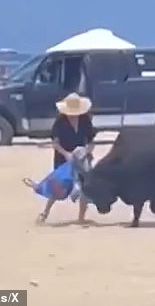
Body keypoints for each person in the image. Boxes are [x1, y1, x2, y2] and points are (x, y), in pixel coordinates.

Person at [38, 92, 96, 224]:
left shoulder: (85, 120)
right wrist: (66, 154)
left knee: (85, 187)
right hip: (63, 159)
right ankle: (45, 213)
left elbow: (91, 141)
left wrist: (87, 151)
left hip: (81, 159)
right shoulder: (60, 123)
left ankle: (81, 217)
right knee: (58, 187)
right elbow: (55, 143)